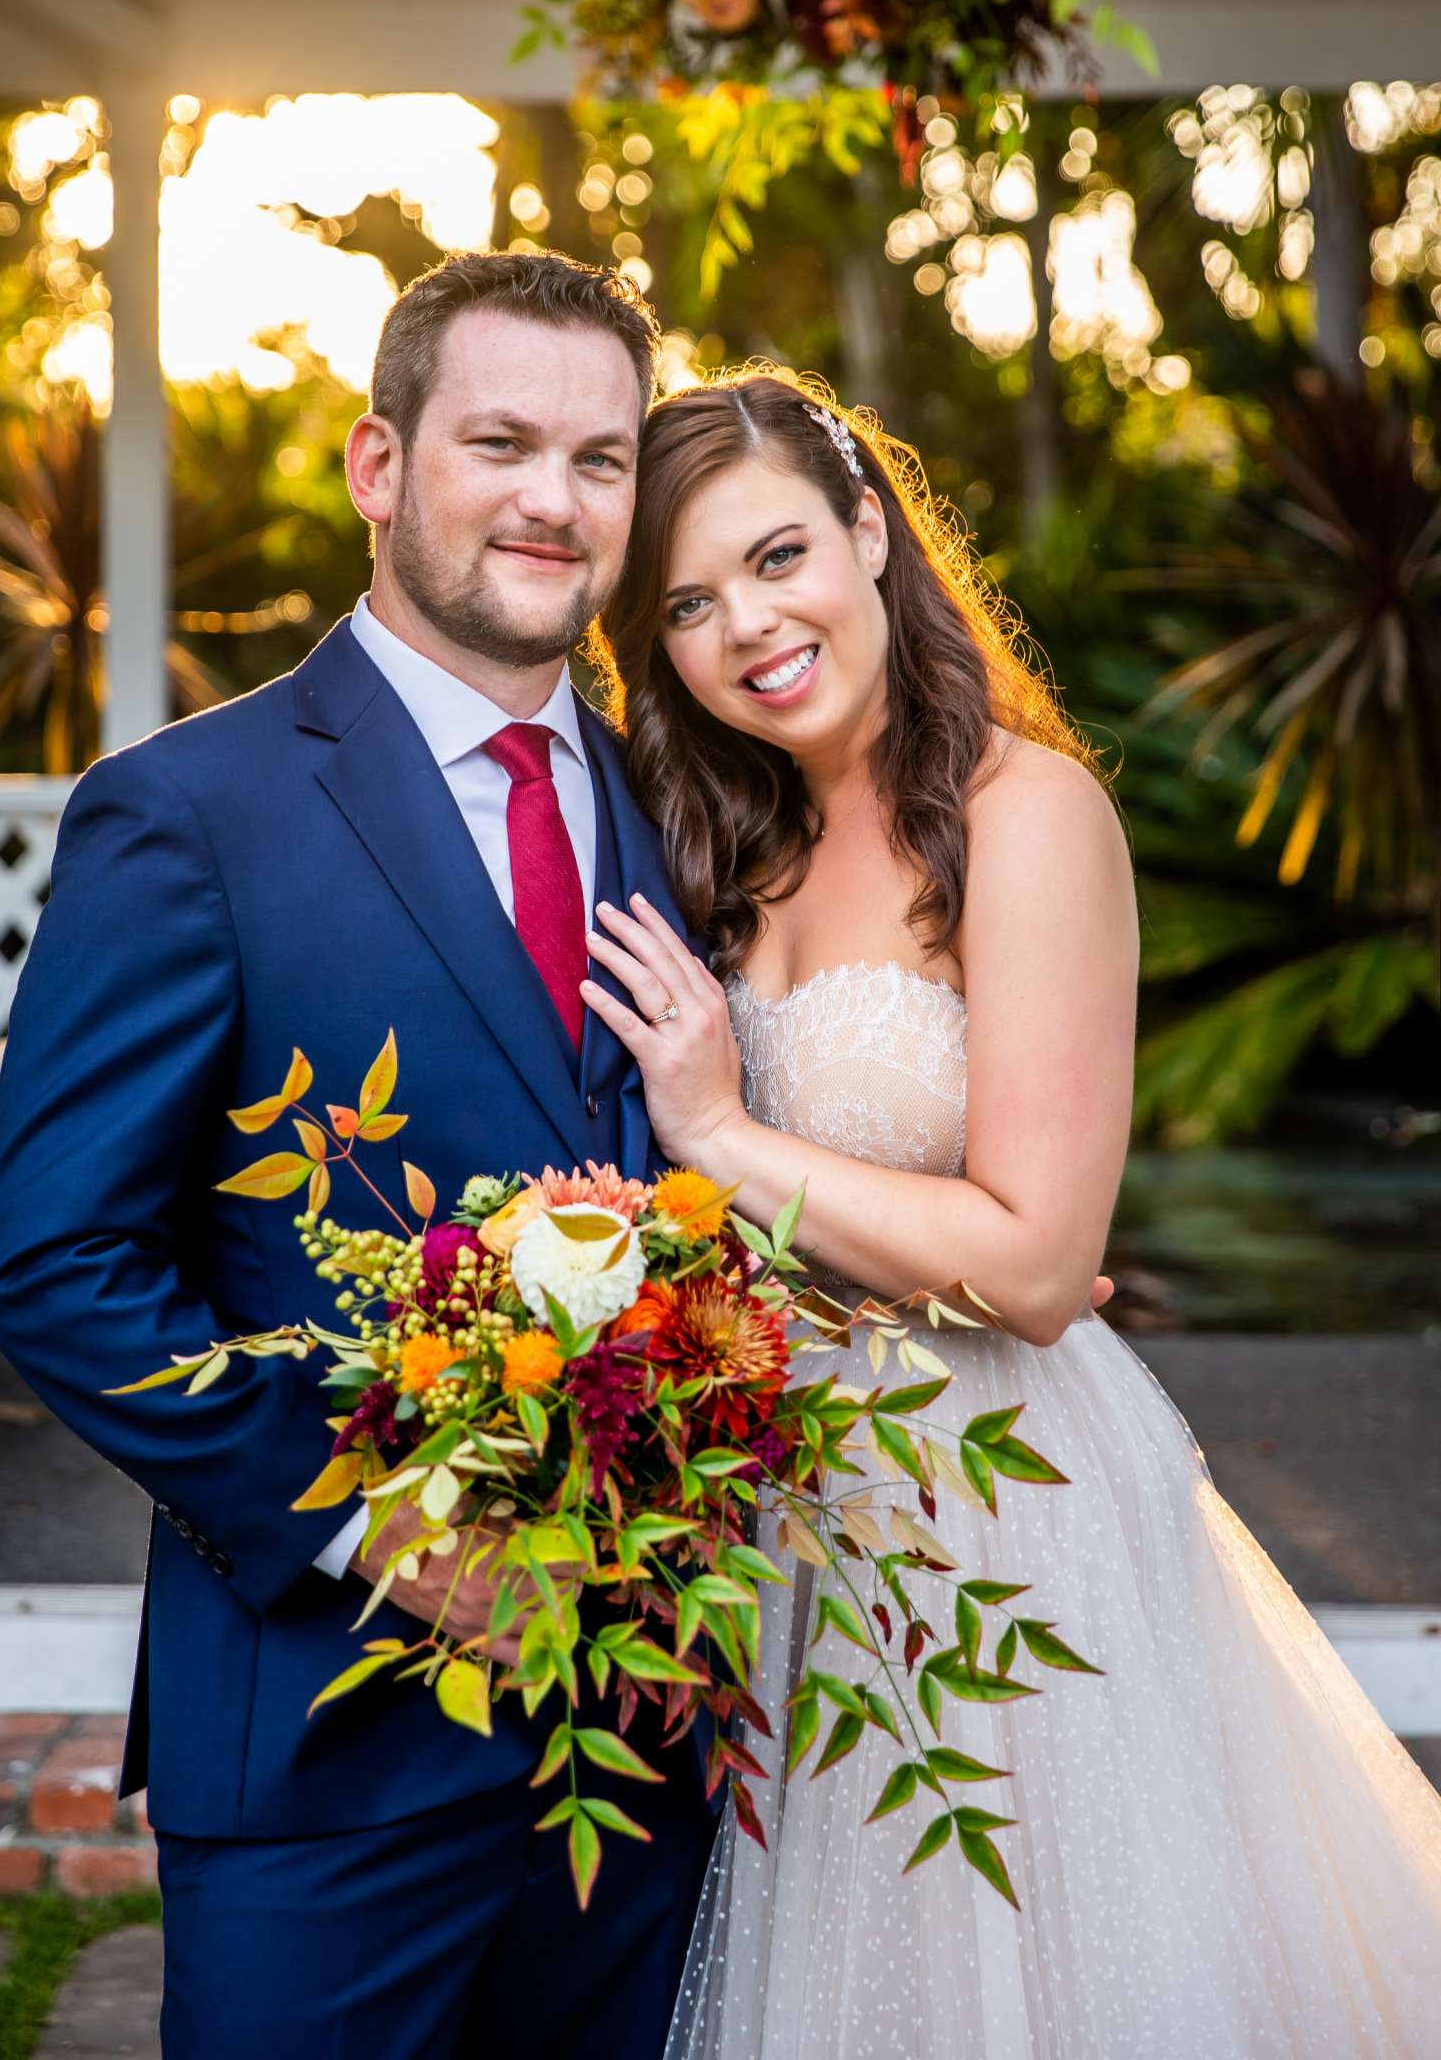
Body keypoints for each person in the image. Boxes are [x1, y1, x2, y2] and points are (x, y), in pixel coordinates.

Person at [583, 368, 1441, 2060]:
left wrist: (719, 1132)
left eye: (776, 558)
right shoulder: (721, 840)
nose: (747, 623)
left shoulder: (1028, 821)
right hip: (791, 1518)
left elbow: (1042, 1266)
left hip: (1002, 1518)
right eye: (686, 603)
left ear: (871, 533)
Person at [0, 251, 719, 2060]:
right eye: (502, 441)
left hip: (639, 1742)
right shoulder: (189, 809)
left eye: (601, 459)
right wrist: (377, 1527)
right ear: (382, 466)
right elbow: (55, 1260)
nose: (553, 498)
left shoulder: (672, 807)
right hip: (324, 1738)